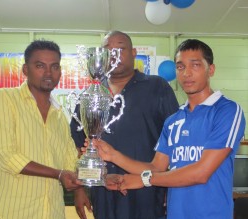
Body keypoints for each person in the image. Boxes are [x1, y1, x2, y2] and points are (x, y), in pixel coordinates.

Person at [93, 39, 246, 219]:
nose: (187, 73)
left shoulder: (226, 110)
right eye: (180, 67)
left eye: (195, 65)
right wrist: (112, 155)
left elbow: (202, 172)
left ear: (210, 70)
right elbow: (156, 167)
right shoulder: (173, 121)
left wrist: (144, 179)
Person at [70, 31, 179, 219]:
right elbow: (79, 147)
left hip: (147, 191)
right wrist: (79, 189)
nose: (114, 56)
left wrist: (172, 187)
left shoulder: (157, 87)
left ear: (134, 52)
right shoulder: (90, 95)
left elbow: (176, 143)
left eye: (120, 49)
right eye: (108, 51)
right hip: (104, 194)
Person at [0, 40, 81, 219]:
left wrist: (94, 171)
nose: (48, 73)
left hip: (52, 214)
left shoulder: (59, 115)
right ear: (25, 70)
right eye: (40, 66)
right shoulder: (4, 99)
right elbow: (7, 156)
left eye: (54, 67)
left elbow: (69, 161)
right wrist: (58, 174)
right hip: (12, 214)